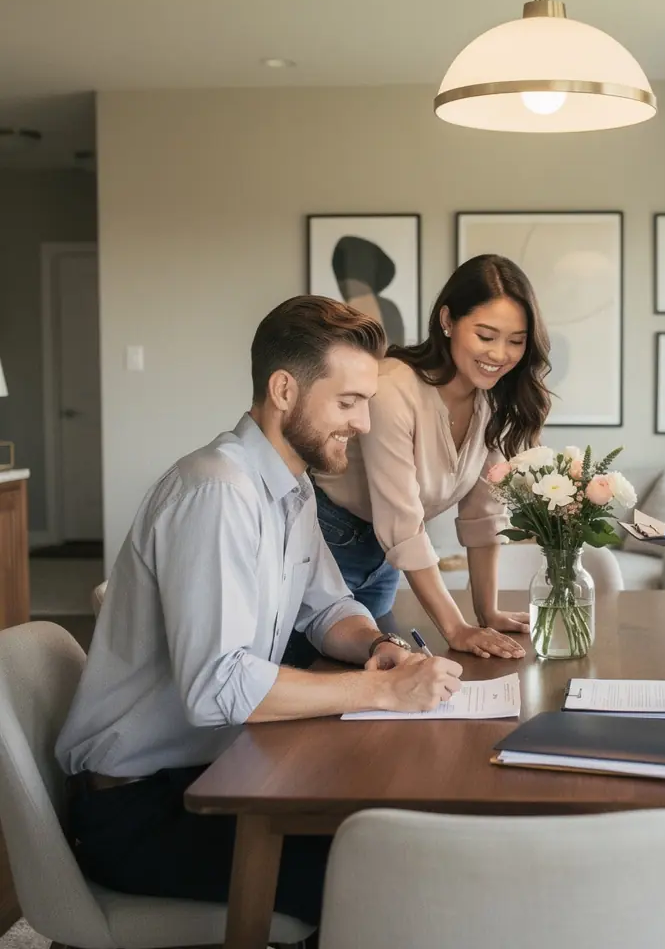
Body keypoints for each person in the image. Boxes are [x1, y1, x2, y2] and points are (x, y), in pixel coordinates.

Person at [55, 295, 463, 929]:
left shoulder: (289, 485)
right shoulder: (217, 492)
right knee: (387, 870)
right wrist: (383, 690)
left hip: (211, 772)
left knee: (386, 835)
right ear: (283, 389)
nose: (362, 423)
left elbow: (329, 605)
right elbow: (217, 688)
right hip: (143, 808)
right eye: (348, 402)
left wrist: (376, 647)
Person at [307, 253, 552, 660]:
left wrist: (485, 612)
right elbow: (402, 522)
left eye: (516, 340)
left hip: (386, 556)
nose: (500, 354)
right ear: (447, 321)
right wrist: (455, 628)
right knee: (317, 673)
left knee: (374, 678)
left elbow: (482, 515)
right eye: (486, 335)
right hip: (328, 542)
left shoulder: (491, 399)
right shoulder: (390, 390)